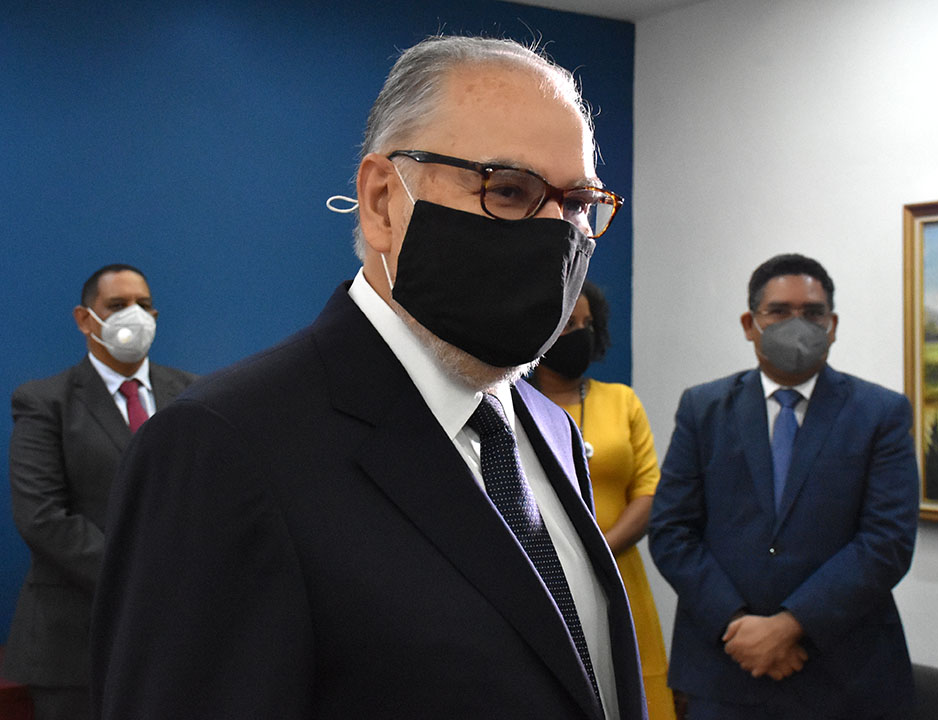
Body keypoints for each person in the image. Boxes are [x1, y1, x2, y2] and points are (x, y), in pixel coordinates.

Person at [90, 36, 645, 720]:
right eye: (508, 190)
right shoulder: (224, 448)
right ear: (383, 202)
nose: (558, 234)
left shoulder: (550, 429)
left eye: (578, 203)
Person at [649, 253, 919, 720]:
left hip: (846, 673)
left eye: (812, 313)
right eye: (778, 311)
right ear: (750, 324)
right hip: (726, 667)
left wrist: (792, 626)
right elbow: (672, 531)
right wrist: (739, 626)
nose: (798, 325)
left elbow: (887, 541)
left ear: (833, 325)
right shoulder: (702, 408)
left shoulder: (881, 413)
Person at [4, 264, 197, 720]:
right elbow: (41, 517)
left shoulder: (193, 394)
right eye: (117, 305)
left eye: (144, 305)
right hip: (74, 645)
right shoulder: (44, 401)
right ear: (85, 319)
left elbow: (207, 499)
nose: (136, 315)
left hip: (175, 640)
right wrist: (138, 575)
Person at [531, 280, 676, 720]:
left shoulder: (622, 401)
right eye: (568, 323)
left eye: (588, 324)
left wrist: (599, 551)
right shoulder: (512, 405)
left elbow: (649, 490)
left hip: (620, 574)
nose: (581, 333)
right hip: (542, 582)